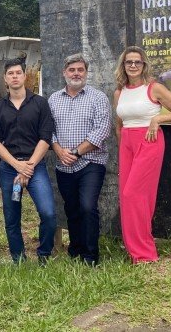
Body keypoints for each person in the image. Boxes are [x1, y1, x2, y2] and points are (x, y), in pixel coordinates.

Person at [113, 46, 171, 264]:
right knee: (127, 198)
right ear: (123, 66)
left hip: (149, 141)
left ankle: (144, 253)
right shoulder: (119, 92)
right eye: (129, 62)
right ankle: (133, 249)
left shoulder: (154, 88)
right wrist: (122, 150)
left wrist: (157, 120)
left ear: (144, 65)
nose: (134, 66)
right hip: (127, 143)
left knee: (134, 195)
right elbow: (119, 126)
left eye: (138, 62)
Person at [0, 58, 56, 265]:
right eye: (11, 74)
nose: (15, 76)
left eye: (18, 72)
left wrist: (28, 167)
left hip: (35, 166)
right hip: (9, 169)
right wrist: (17, 166)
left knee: (48, 213)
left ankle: (44, 254)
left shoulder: (40, 103)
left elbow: (46, 138)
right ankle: (18, 258)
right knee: (11, 217)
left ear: (25, 76)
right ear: (5, 79)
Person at [48, 54, 112, 266]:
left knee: (87, 206)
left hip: (91, 162)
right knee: (72, 208)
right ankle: (75, 250)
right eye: (72, 69)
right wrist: (58, 150)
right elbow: (48, 130)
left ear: (86, 72)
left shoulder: (98, 97)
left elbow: (102, 130)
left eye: (80, 69)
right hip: (63, 164)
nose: (76, 73)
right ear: (64, 73)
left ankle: (91, 255)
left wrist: (76, 153)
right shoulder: (54, 99)